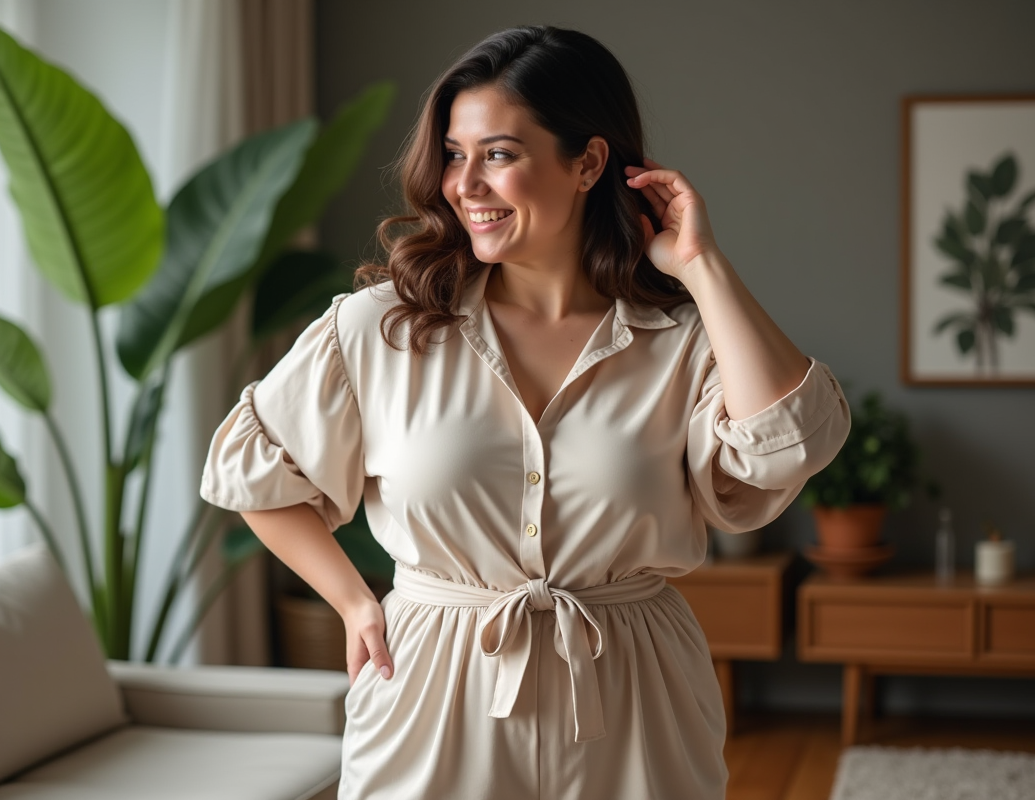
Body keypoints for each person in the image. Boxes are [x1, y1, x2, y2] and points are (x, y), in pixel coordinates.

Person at [200, 25, 850, 800]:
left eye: (499, 154)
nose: (464, 184)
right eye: (454, 154)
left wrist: (702, 268)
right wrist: (353, 602)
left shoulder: (682, 341)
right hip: (432, 690)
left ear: (588, 163)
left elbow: (784, 449)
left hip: (632, 690)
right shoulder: (383, 328)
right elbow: (255, 472)